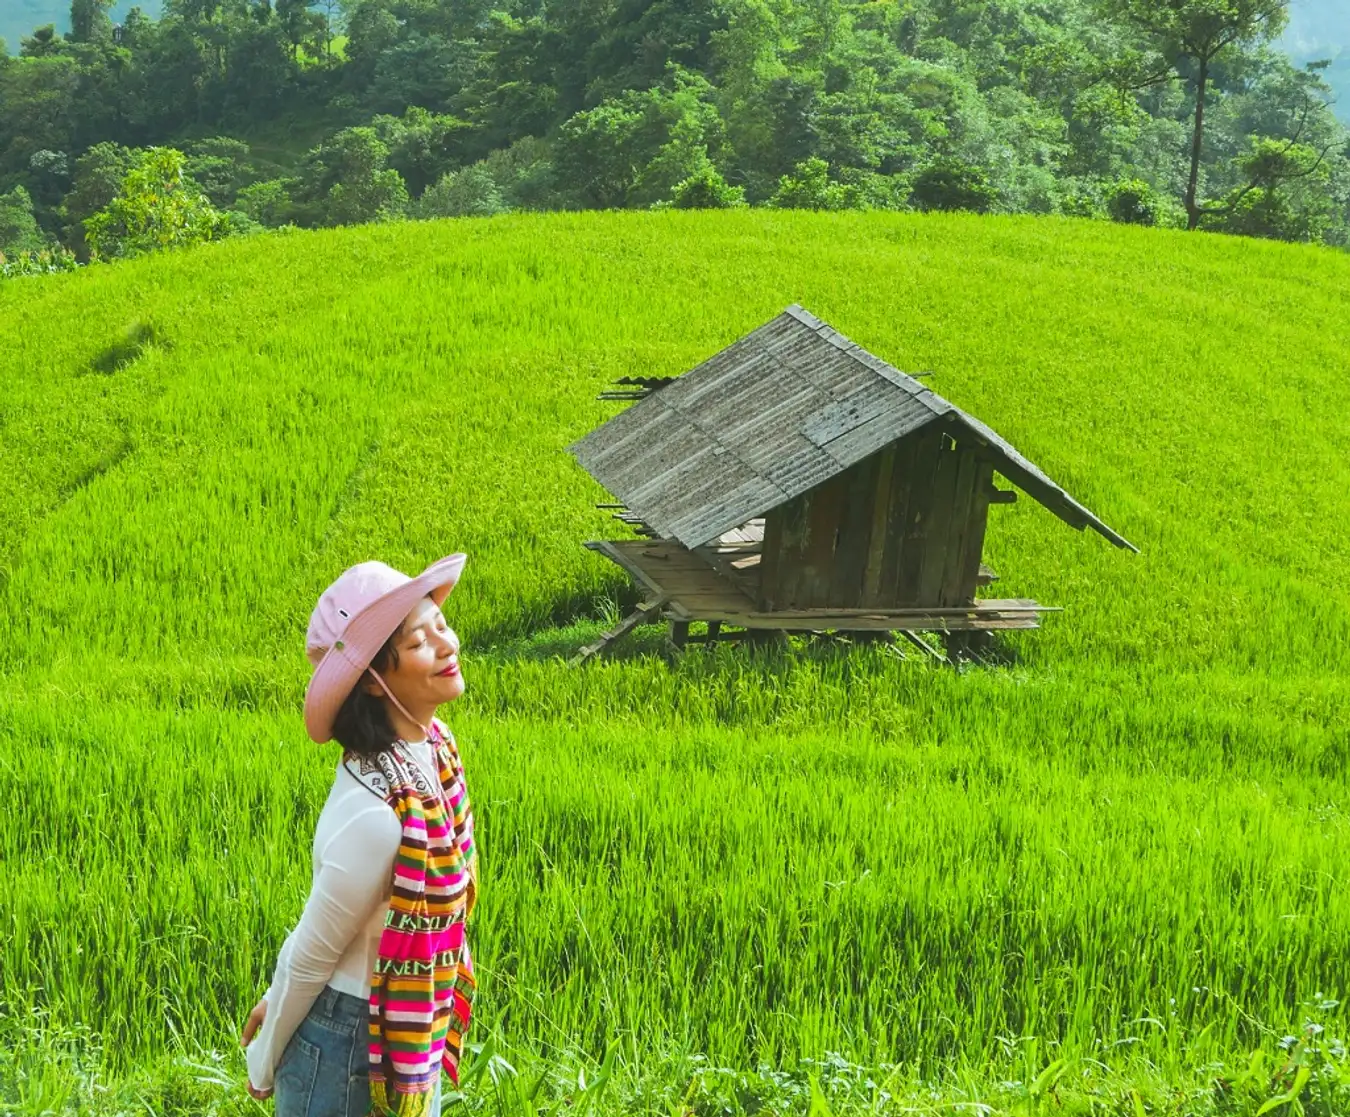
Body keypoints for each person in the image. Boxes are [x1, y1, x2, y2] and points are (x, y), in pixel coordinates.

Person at [240, 554, 480, 1117]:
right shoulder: (375, 812)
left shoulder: (433, 748)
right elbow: (312, 953)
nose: (448, 645)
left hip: (411, 1027)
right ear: (374, 682)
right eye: (421, 641)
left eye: (441, 625)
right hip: (348, 1045)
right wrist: (266, 1054)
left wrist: (277, 1003)